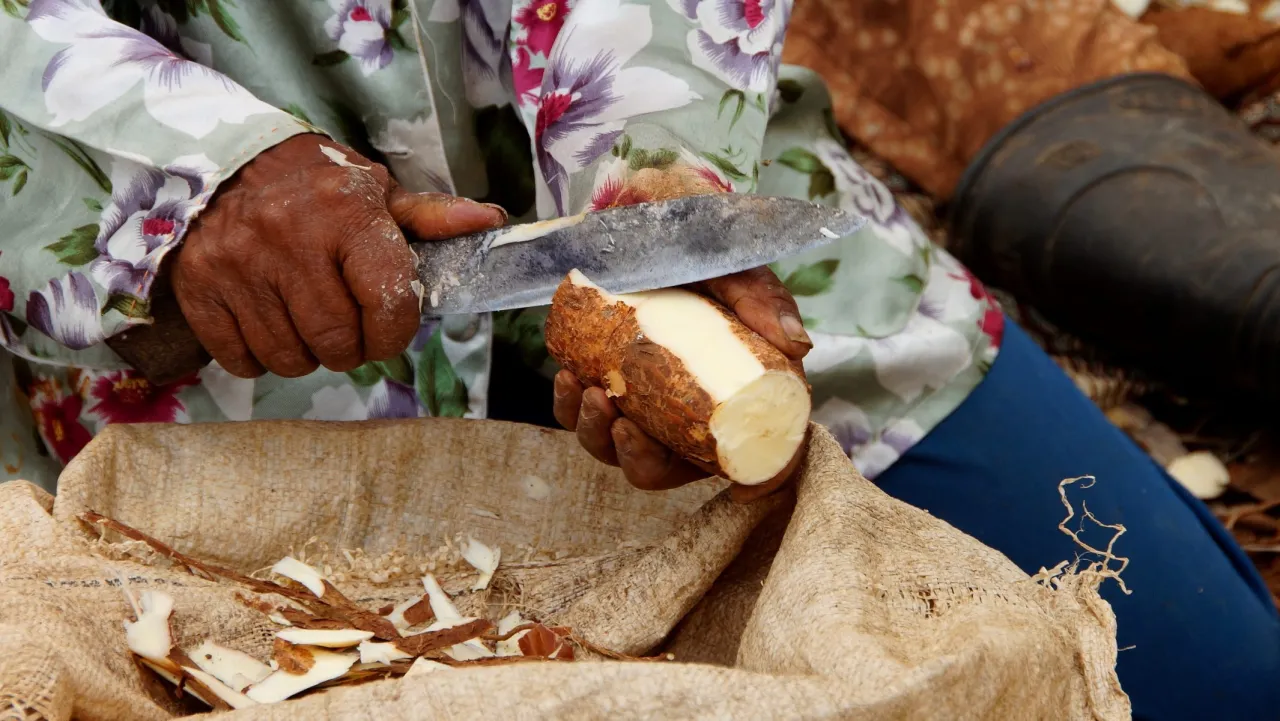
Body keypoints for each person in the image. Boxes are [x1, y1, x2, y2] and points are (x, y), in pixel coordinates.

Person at [0, 1, 1275, 718]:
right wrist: (166, 173)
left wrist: (658, 155)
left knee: (1208, 686)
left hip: (704, 253)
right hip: (225, 367)